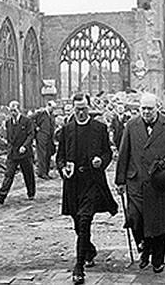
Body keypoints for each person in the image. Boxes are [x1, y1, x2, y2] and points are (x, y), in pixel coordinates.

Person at [115, 93, 165, 274]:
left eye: (150, 109)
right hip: (136, 181)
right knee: (135, 218)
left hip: (160, 183)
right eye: (143, 109)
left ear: (158, 108)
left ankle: (158, 258)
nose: (146, 112)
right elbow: (124, 153)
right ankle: (144, 246)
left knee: (159, 222)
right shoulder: (132, 125)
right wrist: (120, 180)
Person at [57, 93, 118, 285]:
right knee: (78, 223)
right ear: (73, 109)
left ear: (89, 108)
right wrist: (62, 169)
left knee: (84, 221)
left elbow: (108, 152)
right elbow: (59, 157)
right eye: (77, 109)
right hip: (73, 184)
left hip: (92, 181)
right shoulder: (66, 130)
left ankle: (79, 267)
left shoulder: (99, 128)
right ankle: (89, 250)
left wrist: (102, 161)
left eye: (84, 109)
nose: (81, 113)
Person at [0, 101, 36, 204]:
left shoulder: (27, 121)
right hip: (13, 153)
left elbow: (31, 135)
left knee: (28, 174)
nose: (13, 113)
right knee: (9, 174)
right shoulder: (8, 123)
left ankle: (31, 193)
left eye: (15, 110)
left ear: (19, 110)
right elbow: (9, 137)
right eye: (11, 111)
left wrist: (25, 146)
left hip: (24, 153)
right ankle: (1, 195)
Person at [32, 100, 57, 179]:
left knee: (48, 154)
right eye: (52, 108)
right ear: (48, 106)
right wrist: (36, 127)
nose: (52, 109)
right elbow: (30, 119)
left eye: (54, 108)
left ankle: (46, 172)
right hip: (41, 136)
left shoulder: (52, 115)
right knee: (42, 154)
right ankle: (41, 172)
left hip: (49, 137)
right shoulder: (41, 113)